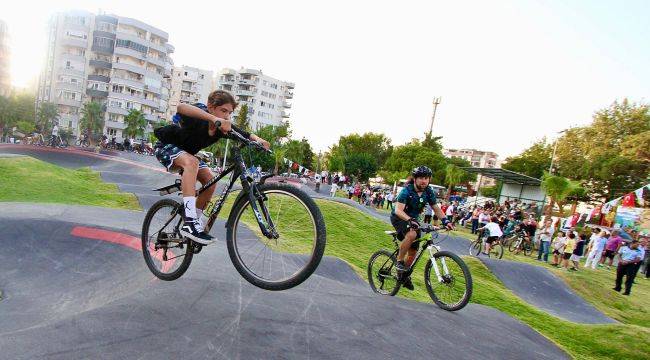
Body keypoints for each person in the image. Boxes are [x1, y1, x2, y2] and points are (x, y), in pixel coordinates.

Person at [153, 90, 270, 245]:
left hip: (187, 154)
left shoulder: (221, 128)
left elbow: (245, 134)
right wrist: (213, 118)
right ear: (211, 106)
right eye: (223, 110)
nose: (227, 116)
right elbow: (181, 107)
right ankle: (189, 222)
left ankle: (196, 224)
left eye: (230, 112)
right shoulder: (200, 113)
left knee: (210, 180)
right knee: (192, 163)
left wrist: (259, 140)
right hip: (166, 147)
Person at [391, 166, 453, 291]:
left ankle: (404, 274)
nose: (424, 181)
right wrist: (409, 220)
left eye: (426, 178)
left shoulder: (428, 191)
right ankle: (399, 261)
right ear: (415, 179)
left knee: (414, 251)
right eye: (421, 178)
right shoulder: (406, 191)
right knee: (412, 234)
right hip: (400, 217)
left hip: (414, 220)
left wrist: (446, 221)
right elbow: (398, 210)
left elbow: (436, 208)